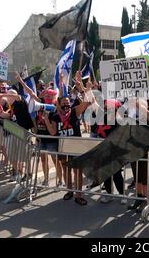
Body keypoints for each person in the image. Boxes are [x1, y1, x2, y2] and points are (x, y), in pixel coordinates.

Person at [49, 71, 92, 206]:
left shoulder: (74, 112)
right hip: (62, 145)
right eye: (64, 102)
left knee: (77, 170)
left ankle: (79, 194)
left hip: (75, 144)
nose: (67, 104)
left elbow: (87, 102)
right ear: (59, 104)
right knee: (66, 169)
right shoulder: (56, 116)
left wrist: (81, 86)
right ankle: (69, 190)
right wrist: (45, 119)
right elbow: (53, 132)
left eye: (68, 102)